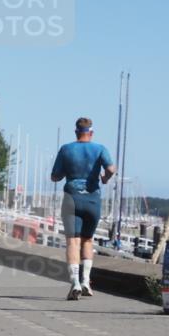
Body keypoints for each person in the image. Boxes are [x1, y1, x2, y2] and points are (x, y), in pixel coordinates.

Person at [50, 117, 115, 300]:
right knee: (87, 240)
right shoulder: (100, 149)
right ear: (91, 132)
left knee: (73, 241)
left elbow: (55, 176)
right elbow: (111, 169)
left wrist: (65, 172)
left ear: (76, 132)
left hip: (72, 198)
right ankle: (86, 281)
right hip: (92, 200)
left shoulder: (66, 149)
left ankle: (75, 283)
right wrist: (105, 178)